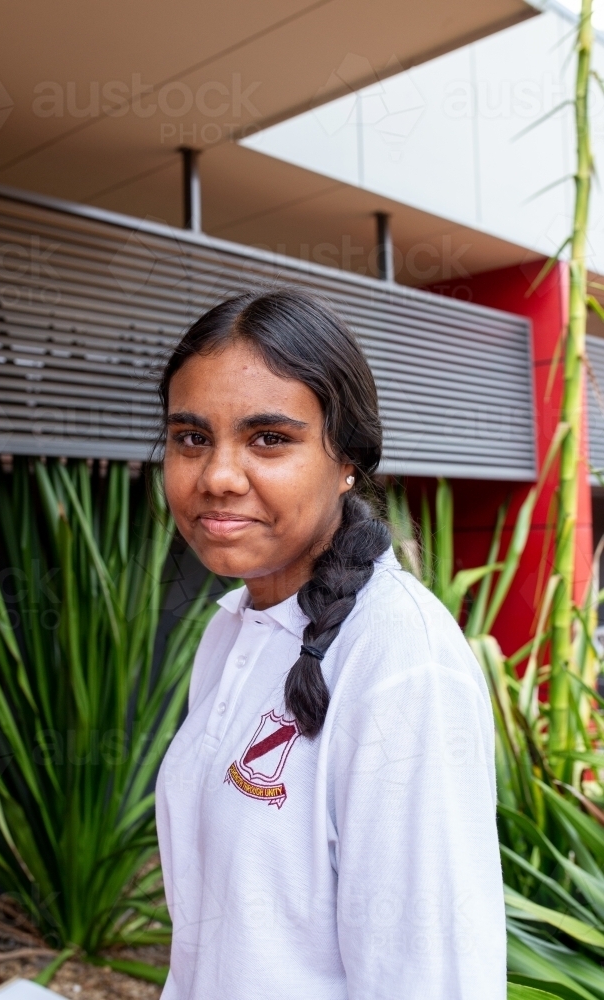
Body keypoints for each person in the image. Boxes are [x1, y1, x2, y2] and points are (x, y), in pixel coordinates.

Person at [154, 288, 505, 1000]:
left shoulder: (401, 669)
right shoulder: (230, 631)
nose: (217, 477)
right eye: (191, 437)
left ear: (346, 459)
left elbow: (432, 981)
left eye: (268, 439)